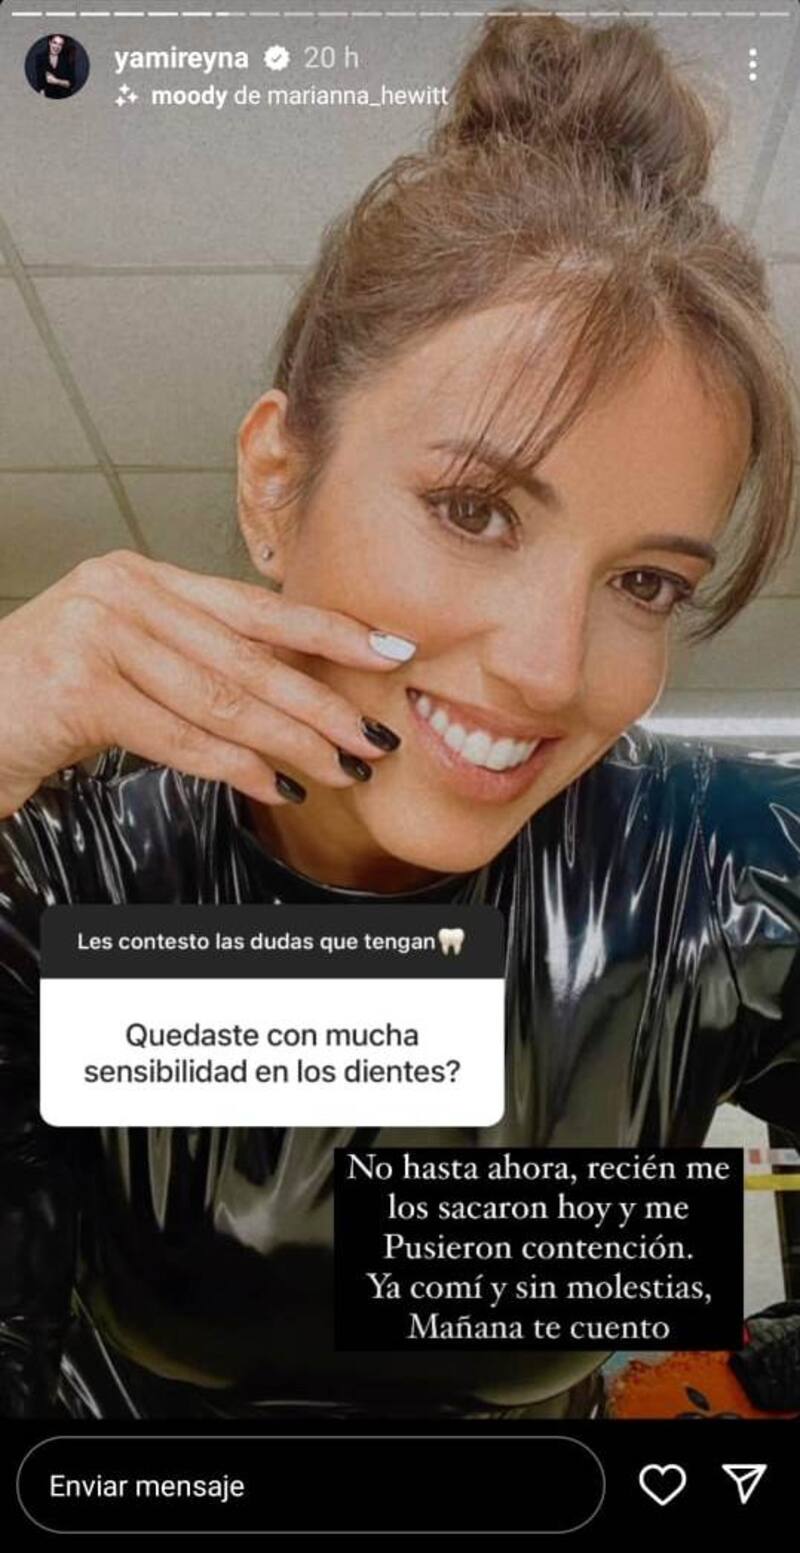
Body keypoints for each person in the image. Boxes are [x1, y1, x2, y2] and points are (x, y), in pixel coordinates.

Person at [1, 12, 799, 1420]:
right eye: (474, 510)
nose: (549, 671)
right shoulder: (60, 863)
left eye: (646, 582)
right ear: (274, 480)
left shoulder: (721, 877)